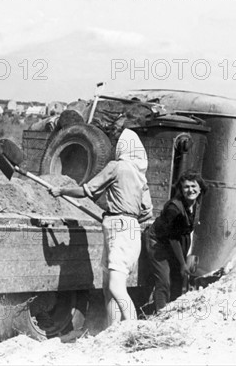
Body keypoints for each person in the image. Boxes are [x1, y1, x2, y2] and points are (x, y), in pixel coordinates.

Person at [50, 120, 152, 327]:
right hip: (130, 229)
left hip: (119, 228)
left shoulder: (116, 167)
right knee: (108, 285)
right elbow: (147, 211)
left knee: (114, 286)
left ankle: (133, 327)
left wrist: (61, 191)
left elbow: (87, 191)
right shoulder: (141, 177)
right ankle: (111, 329)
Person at [145, 170, 207, 312]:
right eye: (186, 187)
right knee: (164, 280)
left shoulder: (195, 204)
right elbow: (173, 238)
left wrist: (183, 262)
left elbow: (183, 234)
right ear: (181, 189)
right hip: (159, 243)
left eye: (193, 186)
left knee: (178, 279)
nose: (190, 190)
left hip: (174, 243)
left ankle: (172, 312)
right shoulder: (174, 208)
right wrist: (183, 263)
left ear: (200, 188)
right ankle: (161, 313)